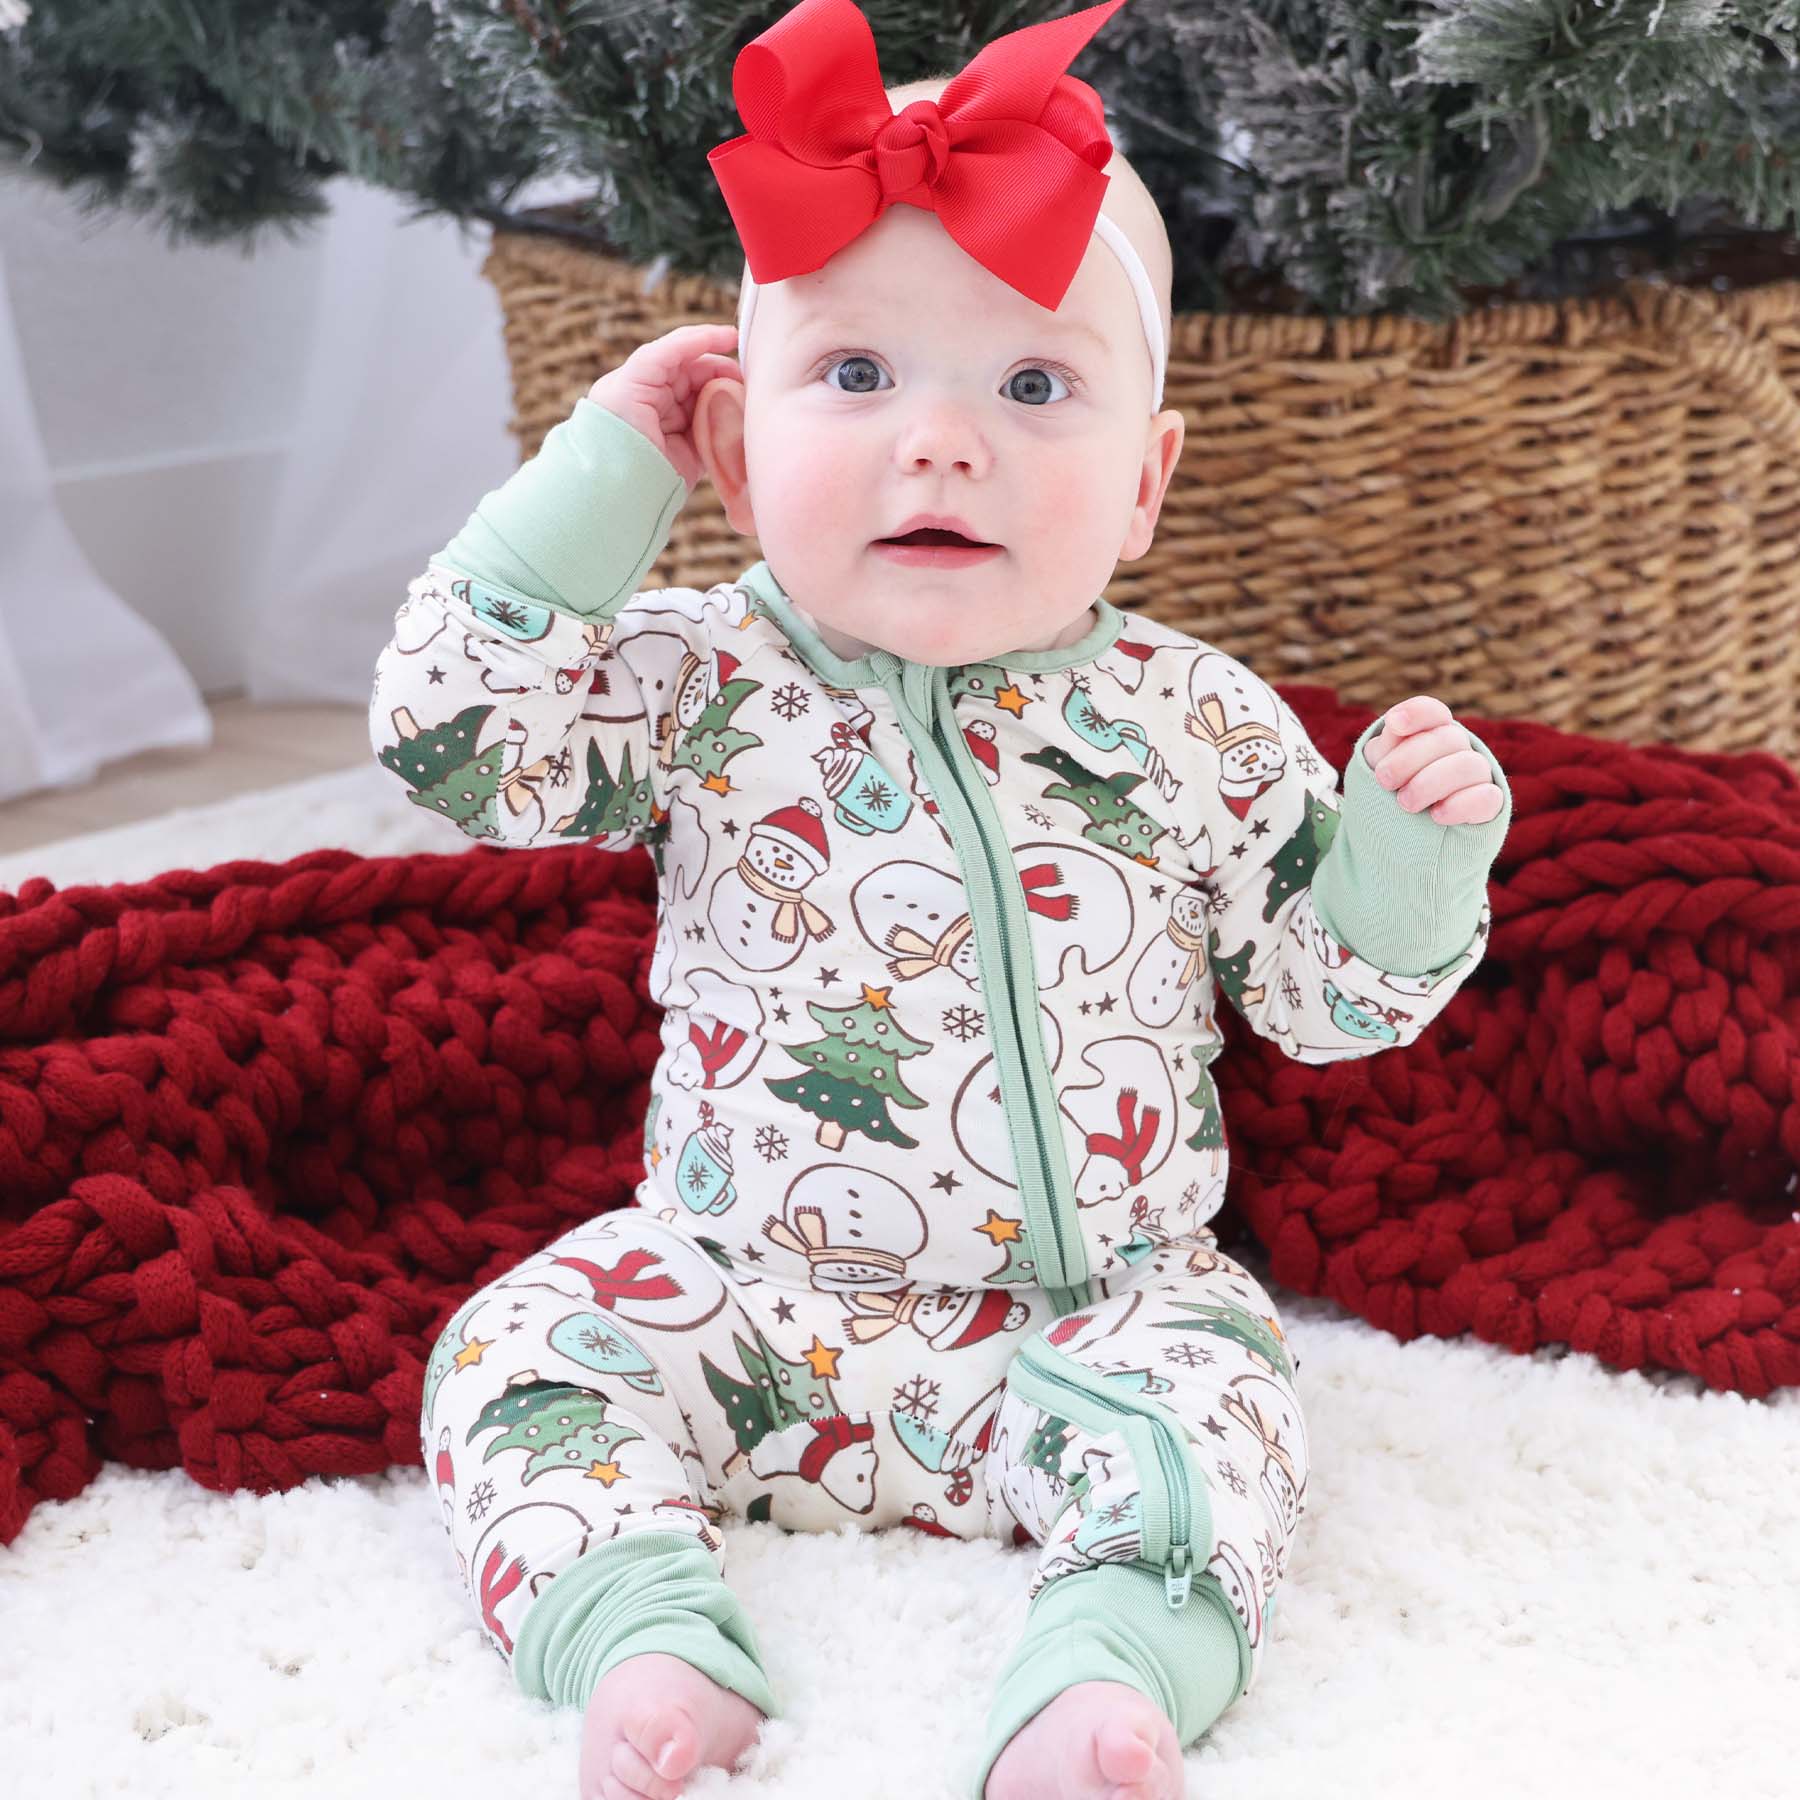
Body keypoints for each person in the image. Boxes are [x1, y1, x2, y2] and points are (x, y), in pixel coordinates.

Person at [375, 3, 1513, 1797]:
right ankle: (637, 1633)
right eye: (855, 375)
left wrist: (1406, 864)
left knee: (1226, 1414)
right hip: (740, 1292)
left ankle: (1107, 1676)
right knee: (516, 1355)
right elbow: (458, 742)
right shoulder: (699, 682)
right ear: (735, 456)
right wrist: (604, 469)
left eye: (1034, 388)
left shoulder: (1194, 722)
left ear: (1145, 486)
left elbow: (1325, 1004)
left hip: (1089, 1318)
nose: (940, 444)